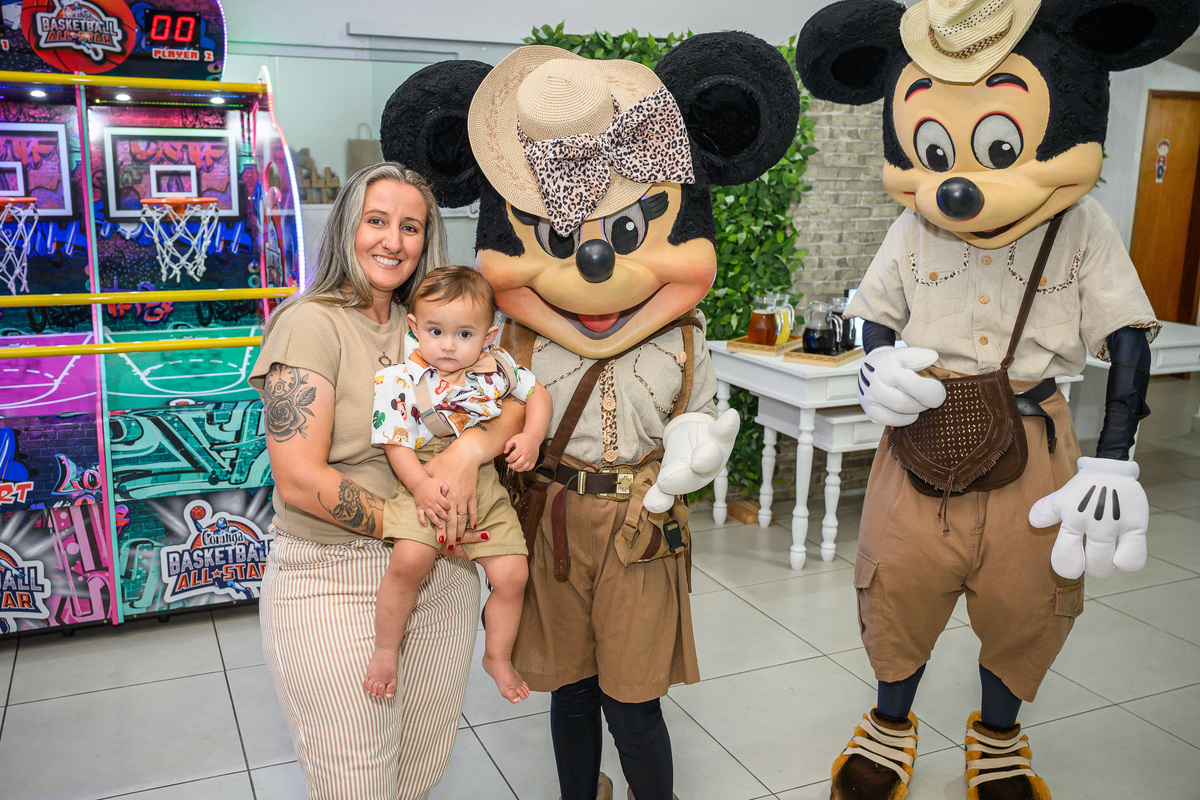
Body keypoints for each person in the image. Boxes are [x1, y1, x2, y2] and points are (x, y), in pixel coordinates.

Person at [250, 162, 524, 799]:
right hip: (333, 574)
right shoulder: (311, 323)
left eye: (410, 227)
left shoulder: (430, 326)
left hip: (443, 573)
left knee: (417, 773)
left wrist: (471, 450)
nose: (392, 241)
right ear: (348, 225)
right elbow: (298, 480)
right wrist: (425, 522)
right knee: (357, 782)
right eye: (377, 221)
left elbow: (513, 396)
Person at [365, 265, 552, 704]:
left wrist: (531, 436)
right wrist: (419, 486)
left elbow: (539, 394)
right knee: (409, 560)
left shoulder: (499, 367)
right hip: (422, 472)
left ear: (489, 335)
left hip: (484, 481)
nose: (448, 345)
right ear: (415, 328)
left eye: (464, 334)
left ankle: (497, 656)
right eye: (436, 331)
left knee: (513, 575)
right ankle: (386, 648)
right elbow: (395, 444)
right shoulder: (398, 379)